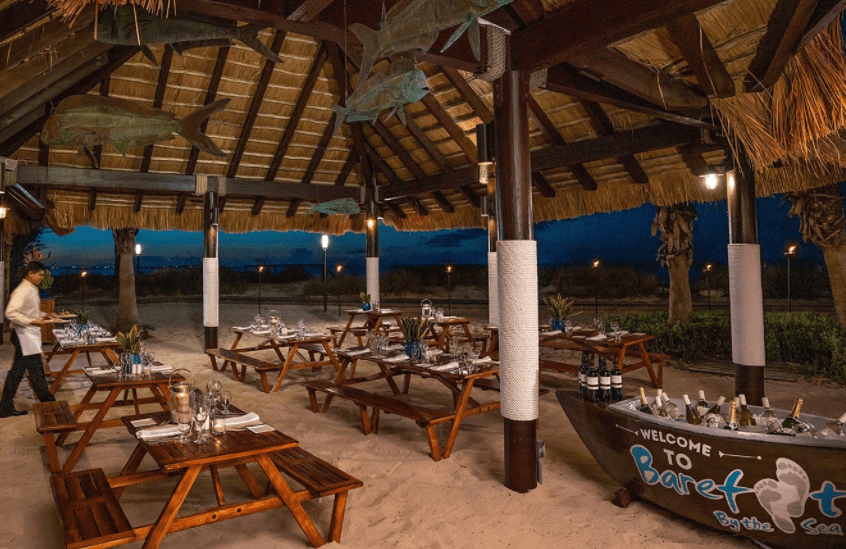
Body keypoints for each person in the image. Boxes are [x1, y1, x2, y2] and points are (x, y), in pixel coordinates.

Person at [0, 261, 59, 417]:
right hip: (24, 335)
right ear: (30, 273)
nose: (42, 278)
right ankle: (50, 407)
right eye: (40, 274)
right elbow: (11, 313)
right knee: (36, 371)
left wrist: (46, 315)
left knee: (18, 372)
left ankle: (5, 407)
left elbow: (30, 312)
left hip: (26, 335)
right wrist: (32, 321)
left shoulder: (31, 288)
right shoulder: (23, 290)